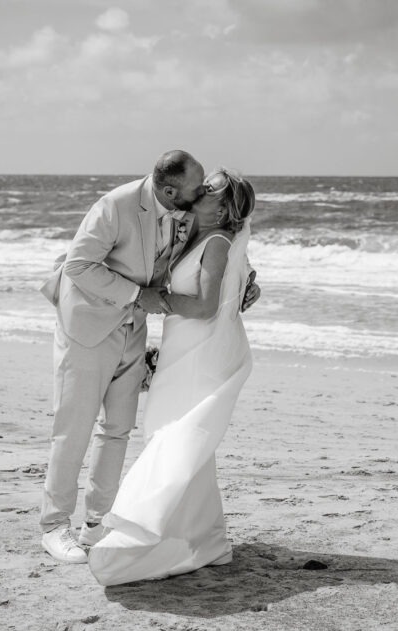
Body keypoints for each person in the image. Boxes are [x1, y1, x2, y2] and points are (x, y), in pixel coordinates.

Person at [38, 151, 260, 564]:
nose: (201, 194)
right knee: (73, 428)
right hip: (88, 327)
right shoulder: (115, 205)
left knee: (117, 429)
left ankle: (97, 523)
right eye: (199, 188)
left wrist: (246, 281)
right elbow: (78, 265)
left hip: (134, 329)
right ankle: (54, 526)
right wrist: (140, 295)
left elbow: (217, 248)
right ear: (171, 188)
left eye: (206, 189)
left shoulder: (183, 210)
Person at [88, 169, 256, 585]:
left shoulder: (216, 242)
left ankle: (141, 527)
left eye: (211, 187)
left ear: (222, 208)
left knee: (179, 436)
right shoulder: (191, 232)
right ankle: (205, 539)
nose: (201, 189)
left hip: (203, 353)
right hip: (183, 349)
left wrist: (153, 299)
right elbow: (238, 282)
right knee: (176, 434)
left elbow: (204, 308)